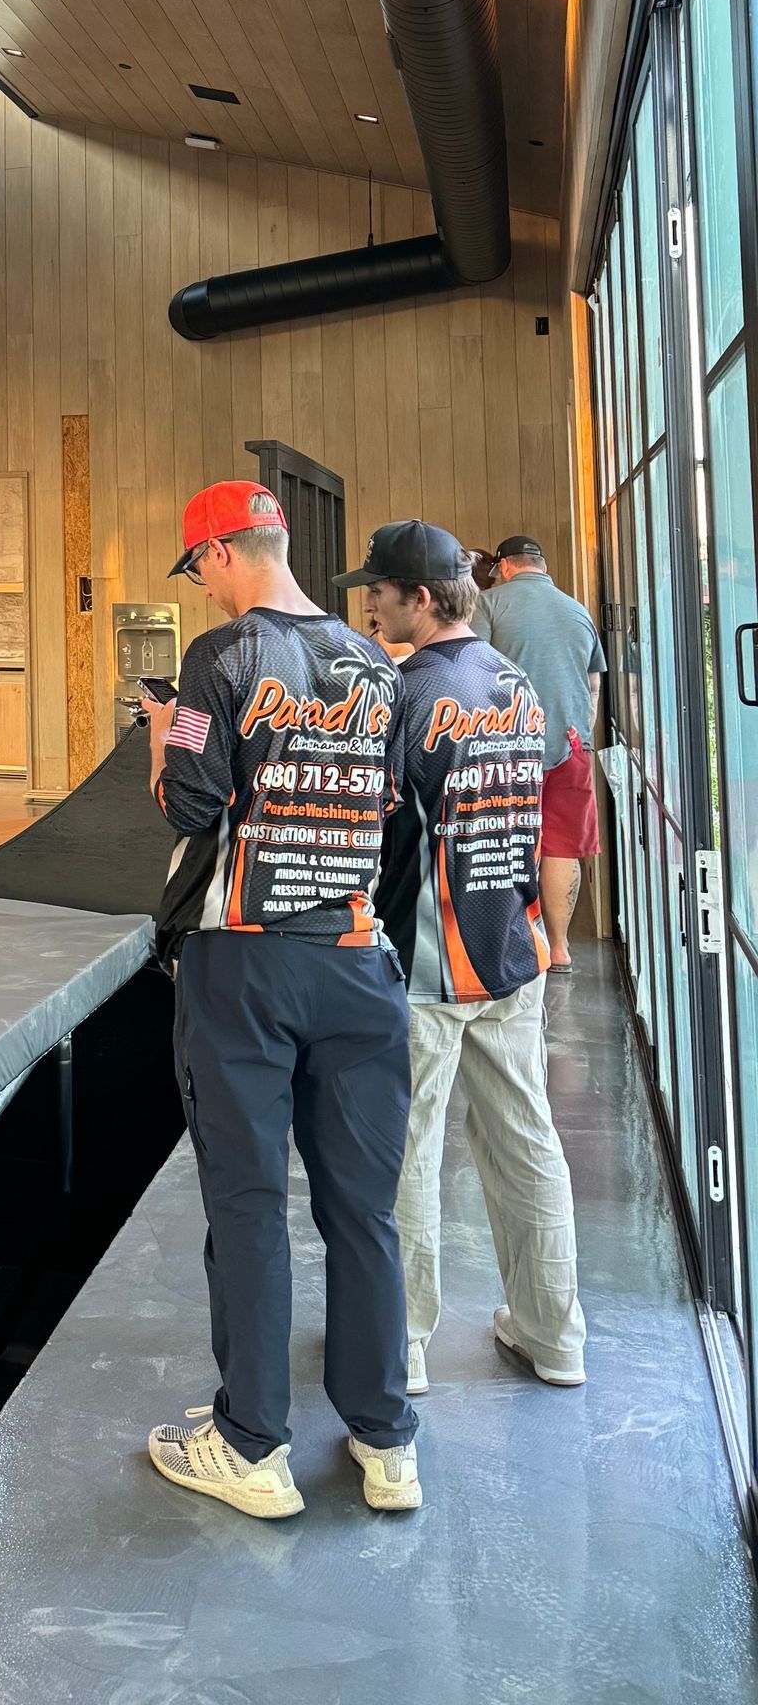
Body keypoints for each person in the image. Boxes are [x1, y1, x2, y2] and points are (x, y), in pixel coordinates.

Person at [143, 480, 420, 1519]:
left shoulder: (220, 658)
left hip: (246, 964)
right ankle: (386, 1440)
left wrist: (164, 732)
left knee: (250, 1203)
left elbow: (193, 800)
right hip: (356, 958)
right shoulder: (375, 664)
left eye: (199, 568)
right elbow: (389, 805)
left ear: (217, 554)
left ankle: (252, 1442)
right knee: (363, 1210)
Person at [346, 523, 586, 1395]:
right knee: (526, 1142)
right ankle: (554, 1333)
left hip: (425, 963)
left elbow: (369, 824)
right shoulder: (515, 681)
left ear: (419, 597)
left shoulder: (401, 693)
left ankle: (401, 1344)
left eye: (378, 590)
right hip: (509, 951)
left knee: (405, 1152)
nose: (368, 604)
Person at [474, 536, 606, 968]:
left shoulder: (491, 604)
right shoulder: (577, 610)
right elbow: (593, 686)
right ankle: (561, 947)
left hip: (508, 743)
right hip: (571, 743)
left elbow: (471, 669)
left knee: (504, 840)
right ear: (542, 566)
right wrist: (576, 733)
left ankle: (514, 943)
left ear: (505, 566)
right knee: (562, 846)